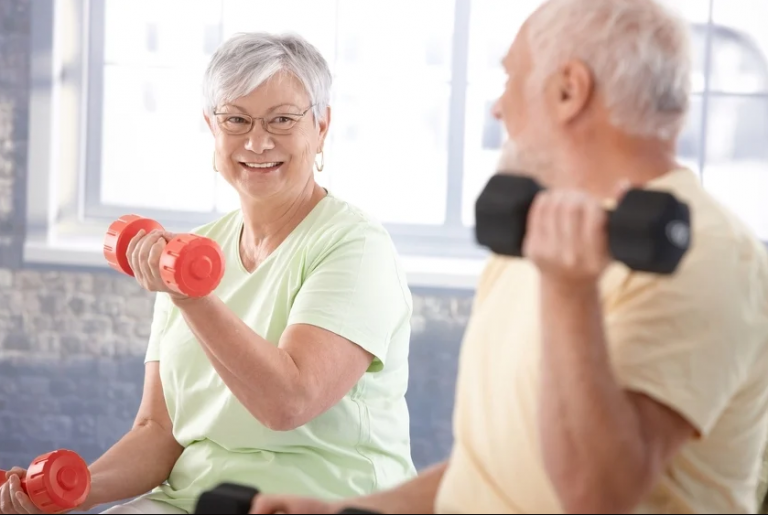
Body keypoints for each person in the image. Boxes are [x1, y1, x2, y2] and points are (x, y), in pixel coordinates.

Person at [248, 0, 768, 513]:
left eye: (511, 80)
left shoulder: (706, 256)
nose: (499, 108)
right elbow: (490, 477)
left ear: (569, 91)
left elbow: (597, 497)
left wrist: (568, 290)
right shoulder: (537, 239)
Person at [0, 32, 417, 515]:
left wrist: (191, 297)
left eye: (282, 119)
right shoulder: (192, 253)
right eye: (236, 119)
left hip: (322, 500)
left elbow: (289, 403)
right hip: (194, 501)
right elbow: (158, 433)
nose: (257, 141)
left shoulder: (355, 246)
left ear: (321, 126)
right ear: (211, 127)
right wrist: (69, 492)